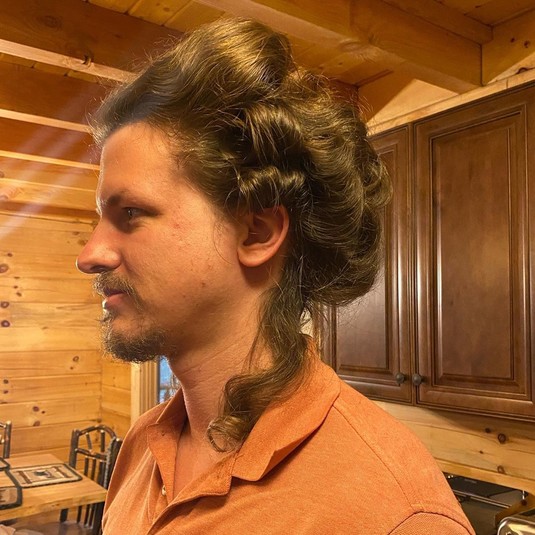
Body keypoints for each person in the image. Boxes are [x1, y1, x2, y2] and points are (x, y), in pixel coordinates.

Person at [76, 17, 474, 535]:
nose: (90, 254)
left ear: (256, 232)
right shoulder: (142, 445)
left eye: (130, 214)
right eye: (100, 218)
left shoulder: (398, 517)